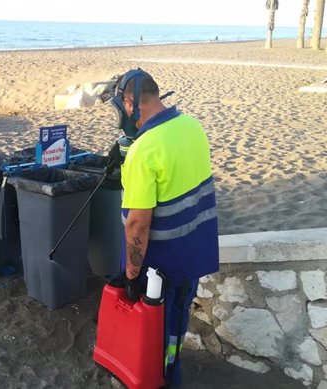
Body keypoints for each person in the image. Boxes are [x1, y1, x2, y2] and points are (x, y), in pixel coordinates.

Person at [108, 68, 220, 387]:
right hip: (190, 257)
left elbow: (138, 224)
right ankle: (170, 370)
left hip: (159, 267)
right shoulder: (190, 126)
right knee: (175, 328)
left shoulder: (145, 151)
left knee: (153, 333)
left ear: (129, 104)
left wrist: (131, 276)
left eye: (119, 108)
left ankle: (159, 379)